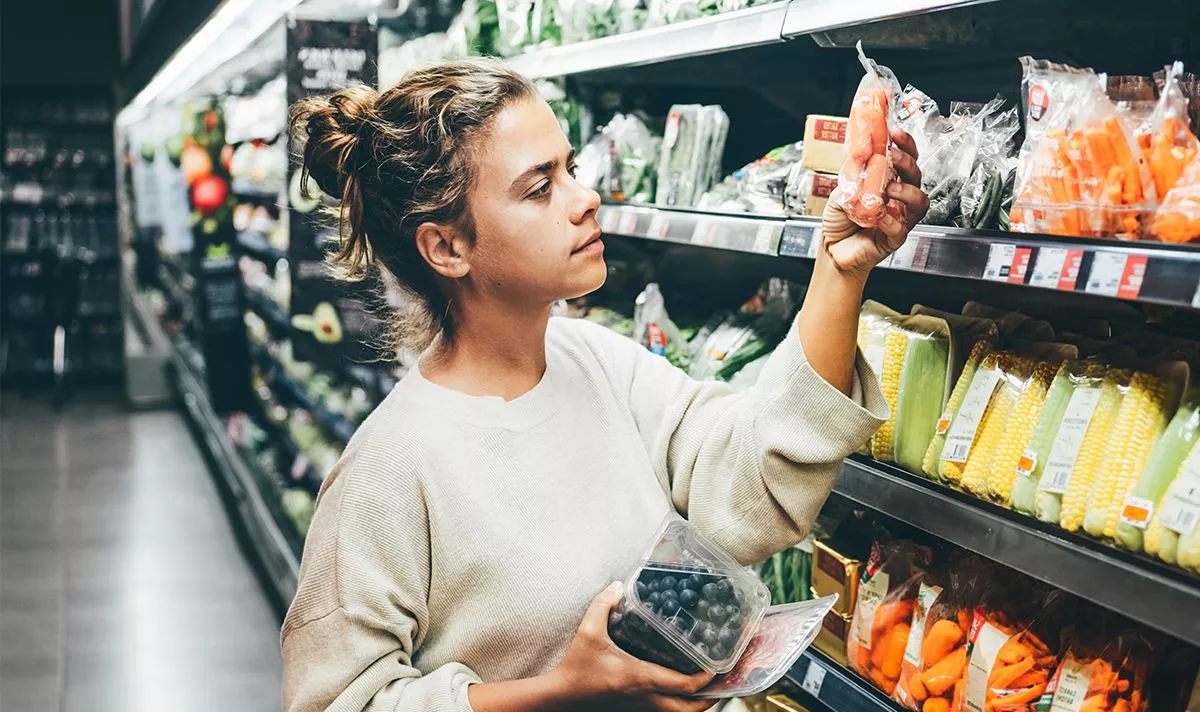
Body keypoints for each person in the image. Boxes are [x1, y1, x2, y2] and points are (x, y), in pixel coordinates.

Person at [281, 58, 927, 712]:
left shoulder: (598, 362)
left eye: (572, 169)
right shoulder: (388, 470)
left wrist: (839, 268)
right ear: (447, 248)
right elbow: (338, 702)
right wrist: (564, 689)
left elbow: (751, 481)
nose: (585, 198)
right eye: (540, 188)